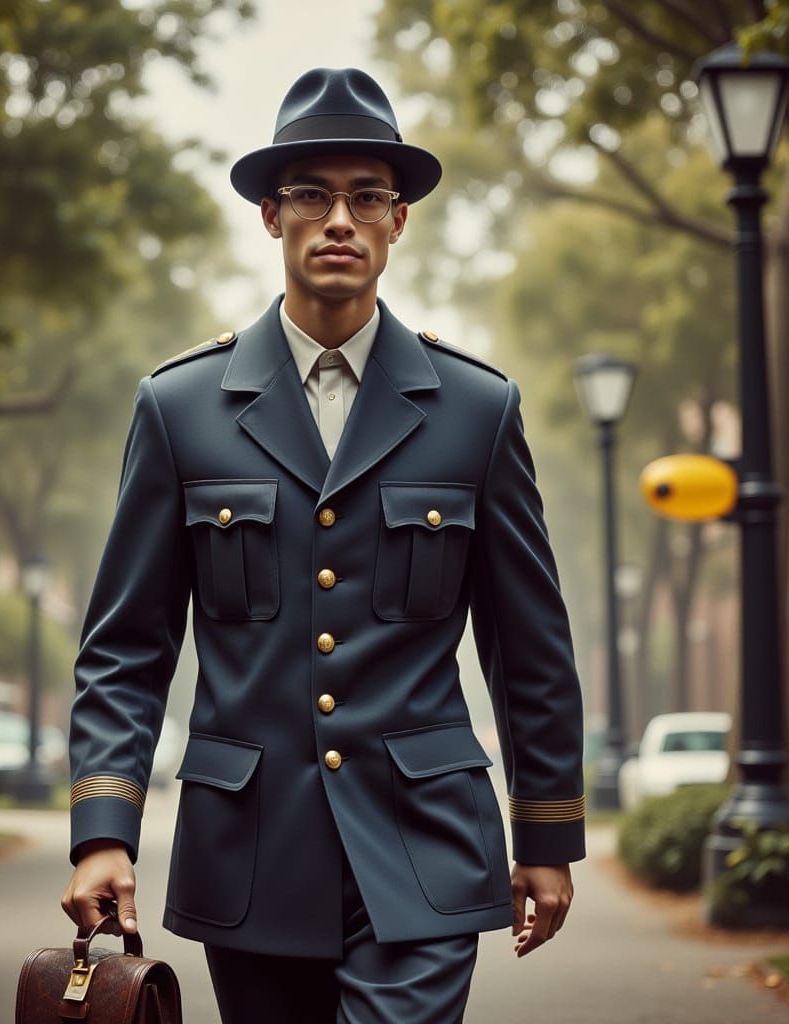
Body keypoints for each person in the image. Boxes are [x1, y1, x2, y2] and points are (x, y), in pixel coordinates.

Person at [61, 67, 586, 1024]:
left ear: (398, 221)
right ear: (271, 216)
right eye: (311, 194)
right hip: (250, 851)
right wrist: (104, 828)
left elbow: (529, 647)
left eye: (367, 197)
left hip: (424, 846)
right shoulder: (181, 406)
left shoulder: (477, 409)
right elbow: (128, 645)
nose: (339, 219)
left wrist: (546, 832)